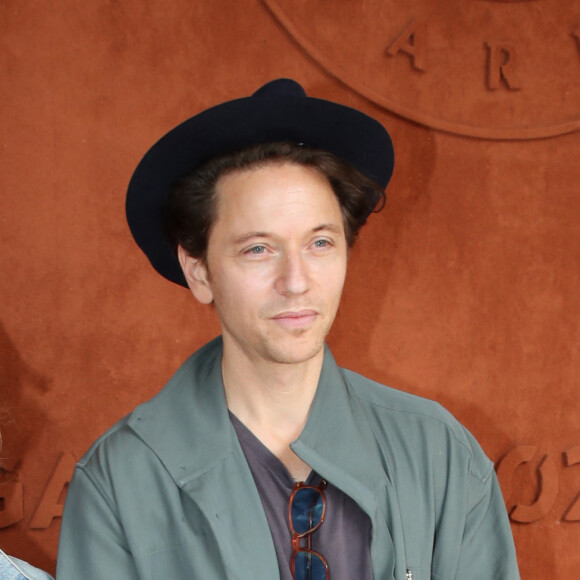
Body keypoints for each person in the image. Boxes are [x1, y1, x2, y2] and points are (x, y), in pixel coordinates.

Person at [56, 79, 520, 579]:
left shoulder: (440, 454)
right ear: (199, 271)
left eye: (320, 243)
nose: (296, 282)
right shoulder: (120, 481)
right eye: (258, 249)